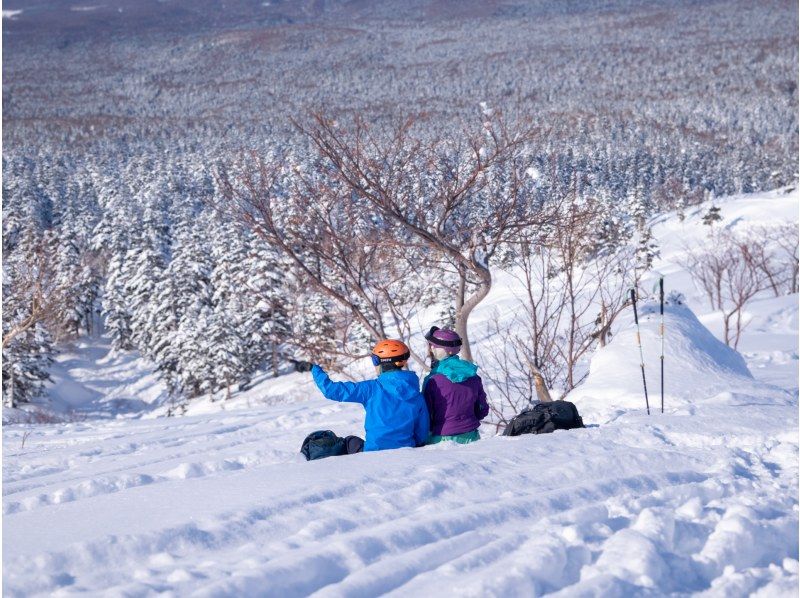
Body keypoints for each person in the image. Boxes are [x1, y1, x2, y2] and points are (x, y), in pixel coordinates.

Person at [311, 339, 430, 452]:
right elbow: (422, 433)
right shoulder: (416, 394)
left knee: (349, 442)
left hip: (374, 451)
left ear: (383, 362)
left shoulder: (372, 388)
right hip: (406, 449)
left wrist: (314, 369)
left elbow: (331, 390)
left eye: (375, 360)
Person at [423, 326, 489, 444]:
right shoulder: (473, 375)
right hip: (472, 437)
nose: (432, 348)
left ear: (447, 350)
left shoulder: (432, 381)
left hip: (441, 440)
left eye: (436, 346)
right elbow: (482, 410)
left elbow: (426, 415)